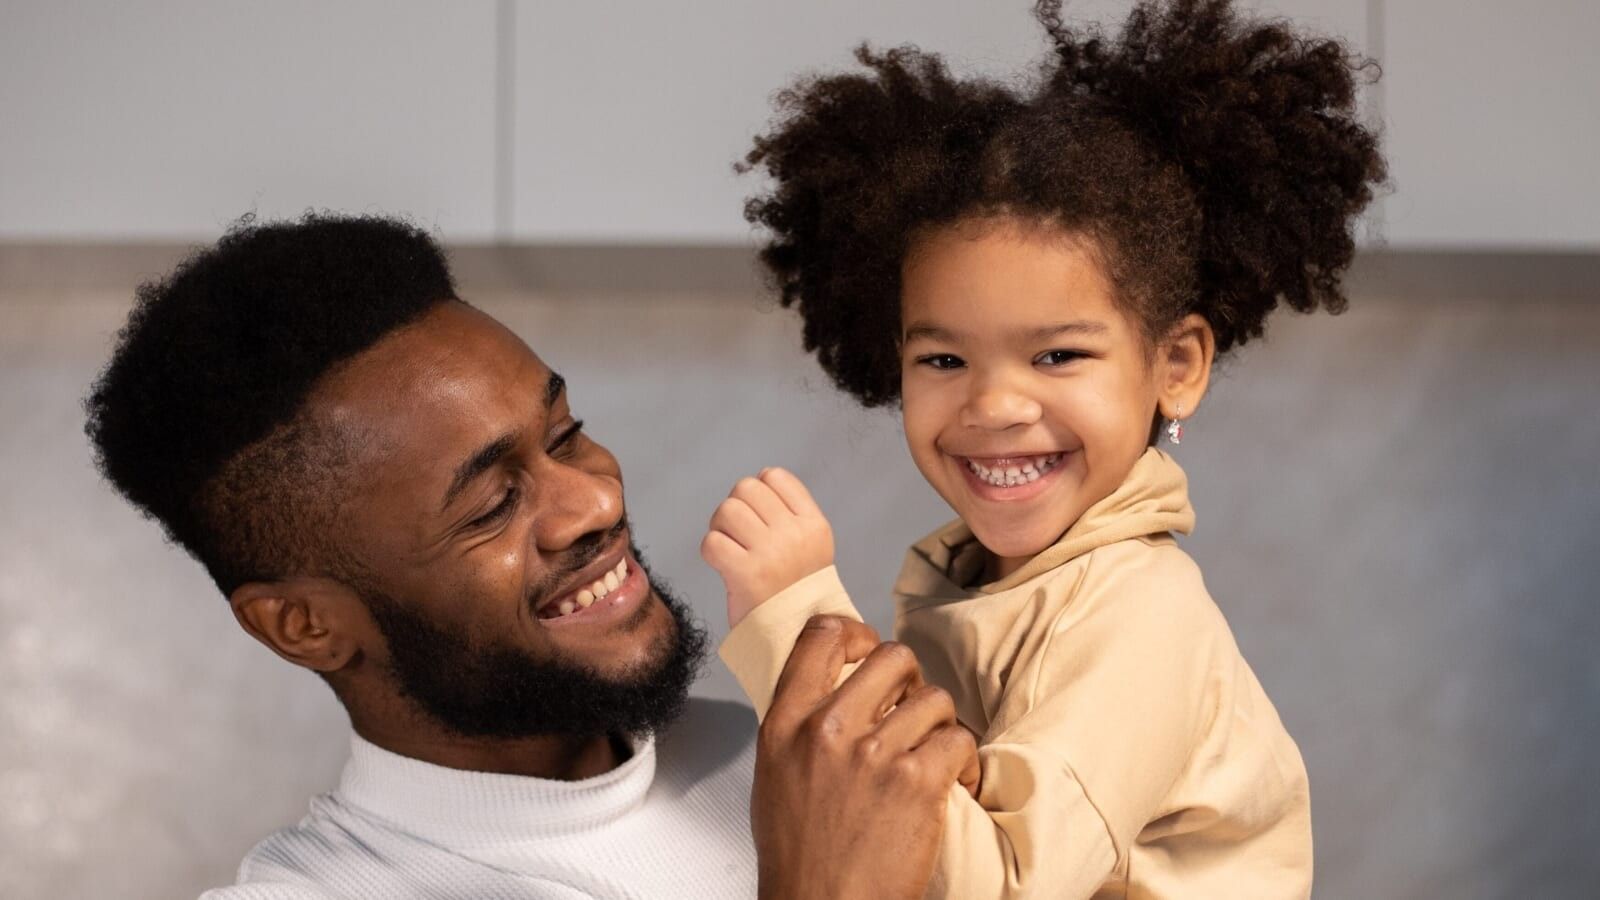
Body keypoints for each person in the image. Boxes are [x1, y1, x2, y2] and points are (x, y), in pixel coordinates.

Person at [701, 1, 1386, 897]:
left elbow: (992, 879)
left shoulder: (1142, 614)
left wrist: (795, 622)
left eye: (1058, 355)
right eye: (943, 358)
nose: (993, 404)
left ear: (1175, 365)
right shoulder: (975, 580)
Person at [84, 213, 977, 899]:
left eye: (566, 432)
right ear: (305, 625)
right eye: (490, 506)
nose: (593, 500)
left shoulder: (783, 756)